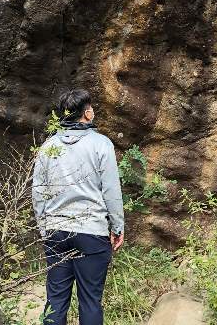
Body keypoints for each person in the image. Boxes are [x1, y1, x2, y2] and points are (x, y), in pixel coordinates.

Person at [32, 89, 125, 325]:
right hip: (91, 231)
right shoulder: (101, 145)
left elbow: (38, 192)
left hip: (56, 231)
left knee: (55, 301)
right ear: (87, 113)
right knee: (90, 301)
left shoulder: (48, 146)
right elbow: (111, 191)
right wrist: (117, 227)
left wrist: (44, 228)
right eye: (91, 108)